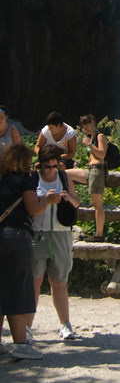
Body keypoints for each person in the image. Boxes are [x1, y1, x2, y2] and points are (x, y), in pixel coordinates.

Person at [0, 143, 62, 360]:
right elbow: (33, 208)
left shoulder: (1, 178)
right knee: (17, 289)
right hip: (16, 237)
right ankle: (21, 344)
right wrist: (47, 200)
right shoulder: (24, 178)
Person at [27, 145, 80, 342]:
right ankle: (27, 327)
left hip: (60, 234)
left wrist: (66, 197)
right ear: (39, 165)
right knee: (34, 282)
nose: (51, 170)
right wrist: (46, 201)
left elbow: (77, 203)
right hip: (37, 234)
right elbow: (30, 208)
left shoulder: (65, 178)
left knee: (59, 281)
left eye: (55, 166)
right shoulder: (32, 179)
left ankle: (65, 324)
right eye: (47, 167)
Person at [68, 114, 108, 240]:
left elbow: (102, 154)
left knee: (97, 204)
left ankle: (99, 234)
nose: (84, 129)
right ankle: (73, 199)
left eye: (86, 125)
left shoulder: (100, 136)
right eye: (82, 127)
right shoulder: (91, 137)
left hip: (97, 171)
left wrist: (89, 145)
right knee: (66, 174)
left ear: (92, 122)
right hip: (89, 170)